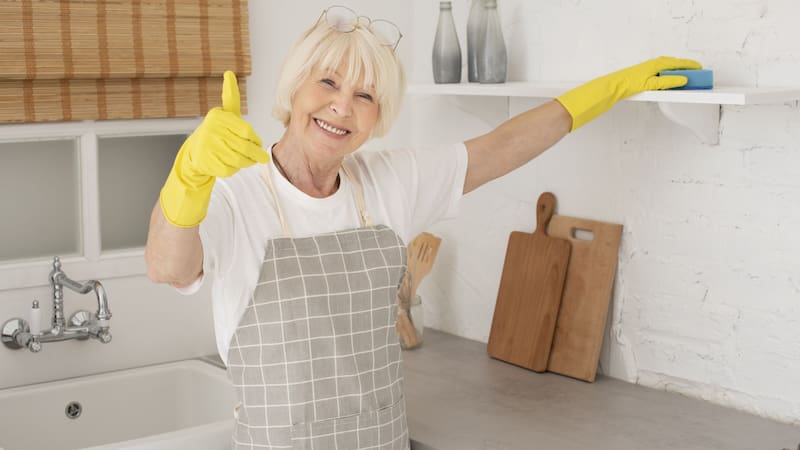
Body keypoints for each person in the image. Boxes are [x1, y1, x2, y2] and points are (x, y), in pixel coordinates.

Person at [145, 5, 701, 450]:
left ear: (377, 115)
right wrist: (187, 177)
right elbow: (169, 267)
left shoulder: (389, 183)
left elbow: (503, 147)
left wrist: (610, 89)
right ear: (294, 87)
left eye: (365, 95)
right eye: (328, 82)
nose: (342, 107)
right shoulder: (235, 194)